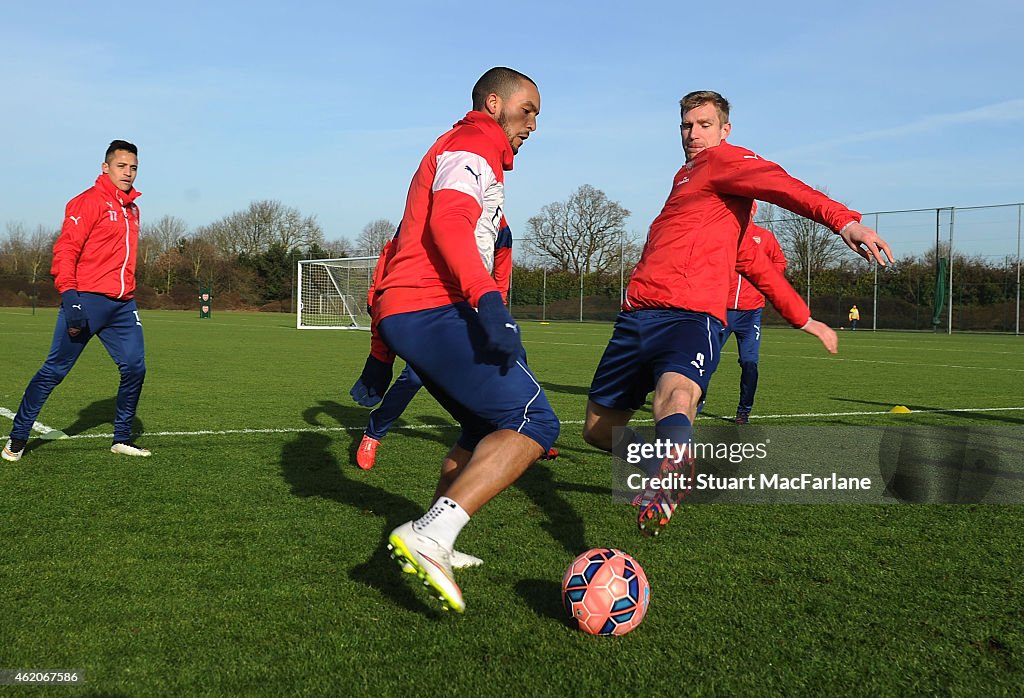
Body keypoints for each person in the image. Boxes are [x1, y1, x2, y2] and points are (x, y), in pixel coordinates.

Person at [583, 91, 893, 537]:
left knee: (675, 397)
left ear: (724, 130)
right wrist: (803, 316)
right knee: (598, 430)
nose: (693, 134)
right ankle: (668, 466)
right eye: (686, 126)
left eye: (704, 125)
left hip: (691, 315)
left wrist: (845, 221)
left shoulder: (726, 160)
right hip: (636, 317)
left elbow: (783, 185)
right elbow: (751, 260)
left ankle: (668, 472)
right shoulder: (687, 180)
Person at [348, 67, 558, 613]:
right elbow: (449, 225)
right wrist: (488, 302)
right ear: (494, 103)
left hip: (410, 311)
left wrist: (379, 349)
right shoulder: (472, 143)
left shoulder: (462, 147)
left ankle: (438, 535)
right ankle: (430, 536)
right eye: (528, 109)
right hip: (434, 307)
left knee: (481, 427)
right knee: (536, 422)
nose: (534, 123)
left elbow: (400, 247)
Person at [3, 140, 150, 462]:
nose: (128, 173)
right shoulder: (88, 202)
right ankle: (18, 436)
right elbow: (66, 250)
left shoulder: (132, 208)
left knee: (135, 367)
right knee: (55, 370)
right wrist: (70, 296)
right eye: (122, 166)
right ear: (106, 167)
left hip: (123, 305)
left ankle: (121, 438)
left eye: (133, 167)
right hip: (86, 300)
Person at [721, 222, 786, 425]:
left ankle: (743, 411)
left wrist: (766, 281)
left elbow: (779, 262)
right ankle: (695, 404)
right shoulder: (722, 230)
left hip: (750, 314)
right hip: (719, 310)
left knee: (750, 363)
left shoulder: (764, 236)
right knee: (704, 362)